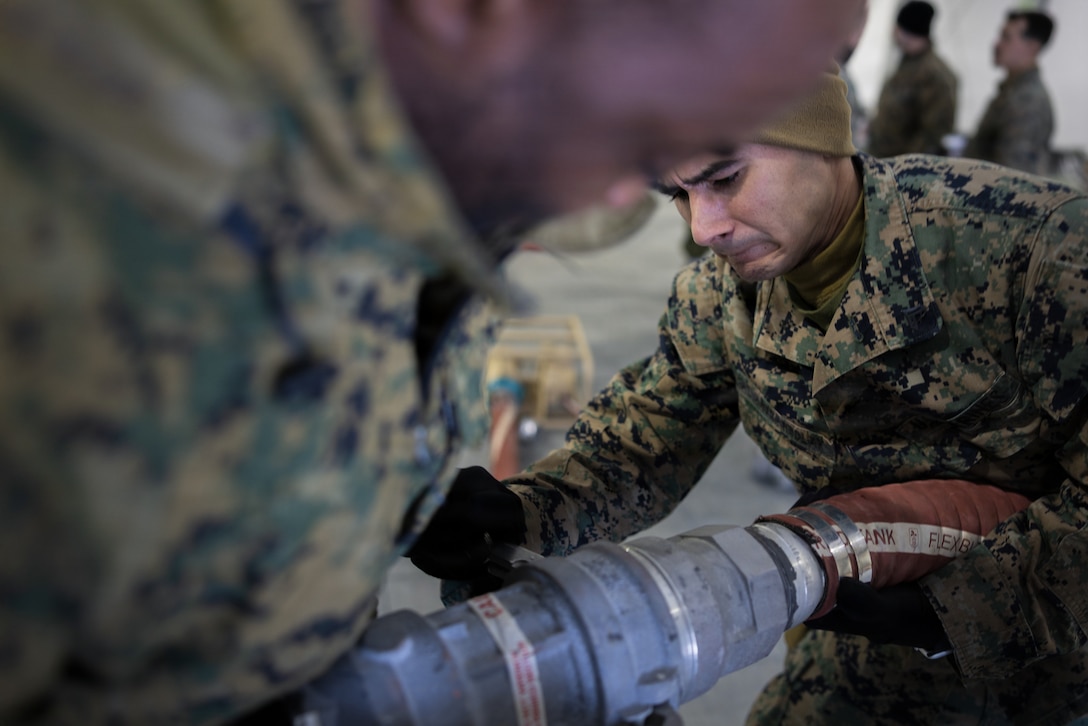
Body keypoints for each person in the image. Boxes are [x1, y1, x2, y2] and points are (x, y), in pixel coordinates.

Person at [0, 1, 872, 724]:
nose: (689, 227)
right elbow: (651, 434)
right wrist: (528, 513)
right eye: (649, 165)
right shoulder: (83, 216)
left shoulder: (444, 188)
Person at [411, 72, 1088, 723]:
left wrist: (956, 607)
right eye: (676, 194)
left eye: (726, 178)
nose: (705, 228)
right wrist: (525, 510)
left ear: (818, 134)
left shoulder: (1037, 256)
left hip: (1048, 666)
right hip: (855, 649)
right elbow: (646, 440)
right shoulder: (719, 297)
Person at [965, 10, 1056, 177]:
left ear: (1032, 47)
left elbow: (1011, 179)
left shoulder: (1027, 101)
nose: (997, 44)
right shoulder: (1012, 91)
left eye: (1006, 37)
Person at [867, 1, 958, 157]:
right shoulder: (908, 64)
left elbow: (934, 134)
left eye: (899, 27)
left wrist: (903, 166)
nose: (894, 33)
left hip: (902, 172)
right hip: (883, 161)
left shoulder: (935, 75)